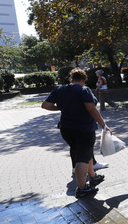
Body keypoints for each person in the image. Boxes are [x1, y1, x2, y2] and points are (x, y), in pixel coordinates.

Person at [42, 68, 109, 198]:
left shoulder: (59, 90)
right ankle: (82, 188)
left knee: (85, 152)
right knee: (82, 159)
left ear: (71, 79)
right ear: (84, 80)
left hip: (66, 129)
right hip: (83, 129)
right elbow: (92, 109)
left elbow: (45, 105)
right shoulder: (84, 90)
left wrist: (61, 107)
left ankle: (93, 176)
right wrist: (104, 125)